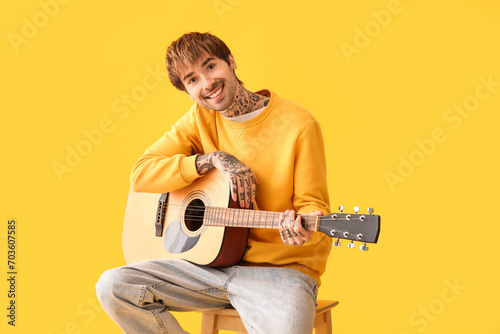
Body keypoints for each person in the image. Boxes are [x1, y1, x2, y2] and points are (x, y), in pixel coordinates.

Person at [96, 32, 332, 334]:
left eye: (210, 67)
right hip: (206, 268)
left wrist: (301, 232)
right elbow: (141, 173)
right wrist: (208, 160)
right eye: (192, 80)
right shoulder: (199, 118)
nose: (206, 84)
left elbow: (314, 208)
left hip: (280, 275)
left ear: (231, 62)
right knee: (115, 286)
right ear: (187, 90)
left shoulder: (299, 125)